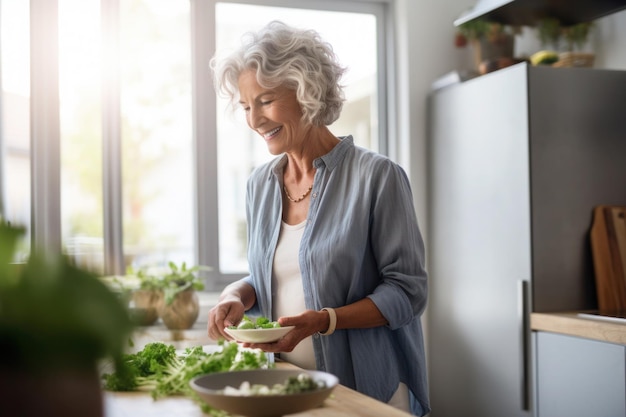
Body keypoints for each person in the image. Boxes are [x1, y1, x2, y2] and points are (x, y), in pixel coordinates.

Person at [207, 20, 429, 416]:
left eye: (265, 100)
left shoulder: (377, 177)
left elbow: (407, 292)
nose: (254, 120)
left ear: (306, 90)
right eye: (245, 106)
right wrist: (235, 297)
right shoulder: (260, 185)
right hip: (288, 387)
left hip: (364, 392)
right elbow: (276, 276)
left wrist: (324, 321)